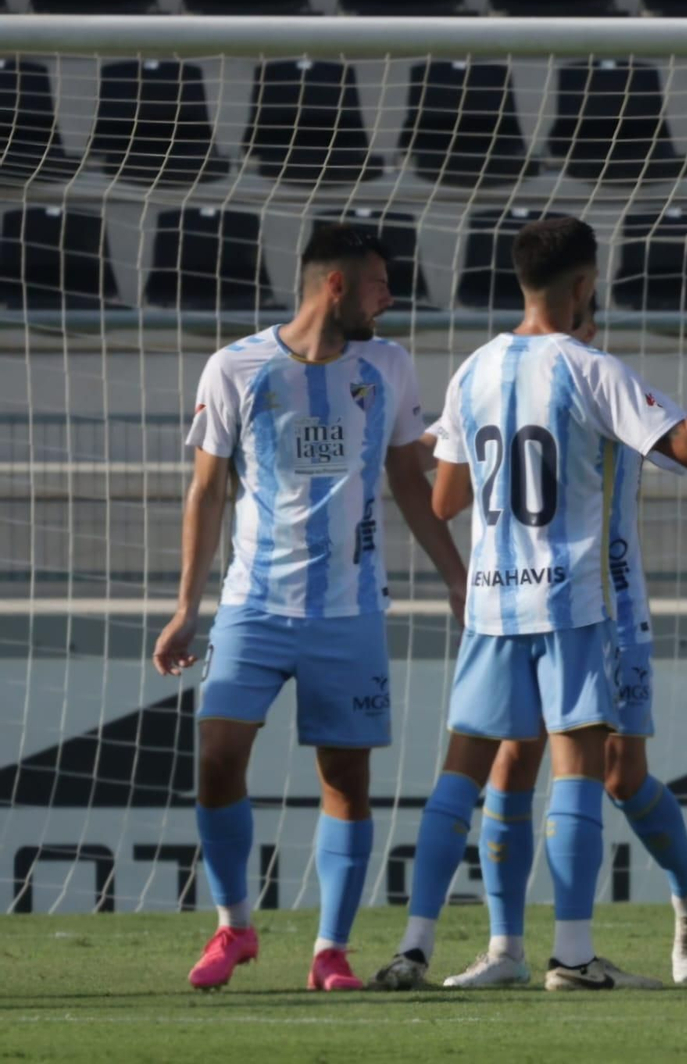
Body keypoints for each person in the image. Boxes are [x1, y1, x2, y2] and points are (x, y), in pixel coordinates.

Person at [378, 216, 687, 992]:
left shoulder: (473, 370)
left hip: (493, 603)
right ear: (585, 285)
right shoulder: (592, 368)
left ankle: (419, 944)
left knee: (479, 771)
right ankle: (558, 953)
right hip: (579, 601)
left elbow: (443, 497)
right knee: (562, 769)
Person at [152, 225, 468, 992]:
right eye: (378, 285)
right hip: (252, 608)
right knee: (218, 760)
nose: (389, 298)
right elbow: (205, 490)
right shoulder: (238, 366)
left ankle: (331, 949)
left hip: (349, 611)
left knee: (345, 781)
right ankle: (234, 927)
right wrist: (185, 606)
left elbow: (406, 480)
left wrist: (459, 579)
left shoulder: (386, 365)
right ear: (335, 285)